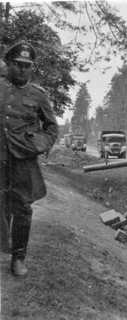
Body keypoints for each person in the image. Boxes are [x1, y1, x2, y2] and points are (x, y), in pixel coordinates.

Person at [0, 41, 58, 276]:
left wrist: (37, 144)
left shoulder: (38, 95)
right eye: (18, 64)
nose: (22, 69)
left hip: (23, 160)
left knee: (22, 208)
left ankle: (18, 258)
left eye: (27, 65)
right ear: (8, 64)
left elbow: (52, 128)